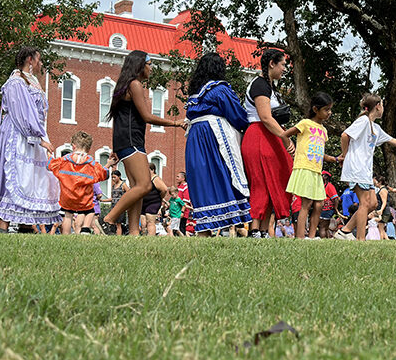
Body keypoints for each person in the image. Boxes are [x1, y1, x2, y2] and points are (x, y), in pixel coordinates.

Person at [0, 48, 62, 232]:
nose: (41, 64)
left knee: (29, 176)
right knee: (16, 173)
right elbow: (22, 112)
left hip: (32, 133)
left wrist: (39, 135)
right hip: (19, 134)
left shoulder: (31, 81)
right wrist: (38, 137)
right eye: (39, 60)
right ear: (30, 60)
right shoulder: (16, 81)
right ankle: (3, 225)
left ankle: (26, 224)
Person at [103, 50, 184, 234]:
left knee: (137, 189)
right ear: (140, 65)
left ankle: (133, 233)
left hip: (125, 142)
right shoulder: (135, 84)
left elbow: (117, 118)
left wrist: (116, 147)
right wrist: (175, 123)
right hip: (132, 141)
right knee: (145, 185)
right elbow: (146, 116)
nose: (151, 68)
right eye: (149, 64)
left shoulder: (124, 86)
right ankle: (110, 218)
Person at [334, 94, 396, 241]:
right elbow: (345, 136)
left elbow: (393, 140)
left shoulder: (375, 128)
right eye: (382, 104)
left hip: (365, 170)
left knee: (373, 203)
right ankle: (360, 239)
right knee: (365, 203)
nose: (383, 108)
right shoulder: (363, 121)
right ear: (377, 106)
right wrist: (345, 157)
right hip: (357, 167)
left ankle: (345, 231)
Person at [183, 52, 254, 236]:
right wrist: (250, 126)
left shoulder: (195, 93)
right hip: (212, 136)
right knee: (221, 174)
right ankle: (229, 224)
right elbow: (236, 114)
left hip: (195, 137)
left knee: (202, 179)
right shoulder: (219, 89)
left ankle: (205, 230)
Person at [241, 49, 296, 238]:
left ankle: (264, 230)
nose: (284, 69)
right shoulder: (259, 85)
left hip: (271, 137)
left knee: (275, 181)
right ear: (272, 63)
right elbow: (265, 117)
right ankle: (254, 229)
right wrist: (286, 137)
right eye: (283, 65)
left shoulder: (270, 87)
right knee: (260, 182)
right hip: (259, 135)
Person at [284, 92, 340, 239]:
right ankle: (300, 237)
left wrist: (335, 159)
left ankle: (312, 236)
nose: (329, 113)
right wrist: (290, 148)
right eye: (326, 109)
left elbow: (320, 153)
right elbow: (285, 134)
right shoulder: (305, 124)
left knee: (320, 204)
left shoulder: (324, 131)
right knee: (306, 203)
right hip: (305, 167)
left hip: (316, 170)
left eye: (330, 109)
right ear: (315, 109)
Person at [48, 131, 116, 235]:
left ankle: (65, 236)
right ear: (88, 149)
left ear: (73, 146)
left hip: (67, 196)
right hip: (84, 197)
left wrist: (49, 154)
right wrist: (108, 165)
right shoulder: (91, 163)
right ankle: (85, 229)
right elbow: (103, 174)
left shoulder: (64, 161)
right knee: (90, 210)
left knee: (68, 215)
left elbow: (51, 165)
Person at [142, 163, 169, 236]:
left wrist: (161, 197)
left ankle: (151, 238)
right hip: (143, 202)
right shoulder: (144, 178)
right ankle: (144, 237)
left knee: (150, 221)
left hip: (153, 202)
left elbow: (164, 189)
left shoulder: (155, 178)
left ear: (152, 170)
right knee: (143, 223)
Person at [319, 171, 339, 238]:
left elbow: (336, 198)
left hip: (327, 209)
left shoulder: (329, 186)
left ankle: (323, 240)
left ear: (326, 177)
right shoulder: (324, 186)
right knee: (325, 227)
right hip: (324, 209)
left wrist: (335, 209)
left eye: (322, 175)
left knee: (322, 227)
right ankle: (327, 239)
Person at [108, 171, 128, 235]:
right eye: (112, 177)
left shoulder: (123, 184)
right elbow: (112, 198)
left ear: (119, 176)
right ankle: (115, 235)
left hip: (120, 207)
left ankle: (119, 236)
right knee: (113, 223)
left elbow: (129, 194)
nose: (113, 179)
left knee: (118, 224)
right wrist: (102, 200)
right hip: (113, 207)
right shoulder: (113, 186)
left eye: (114, 177)